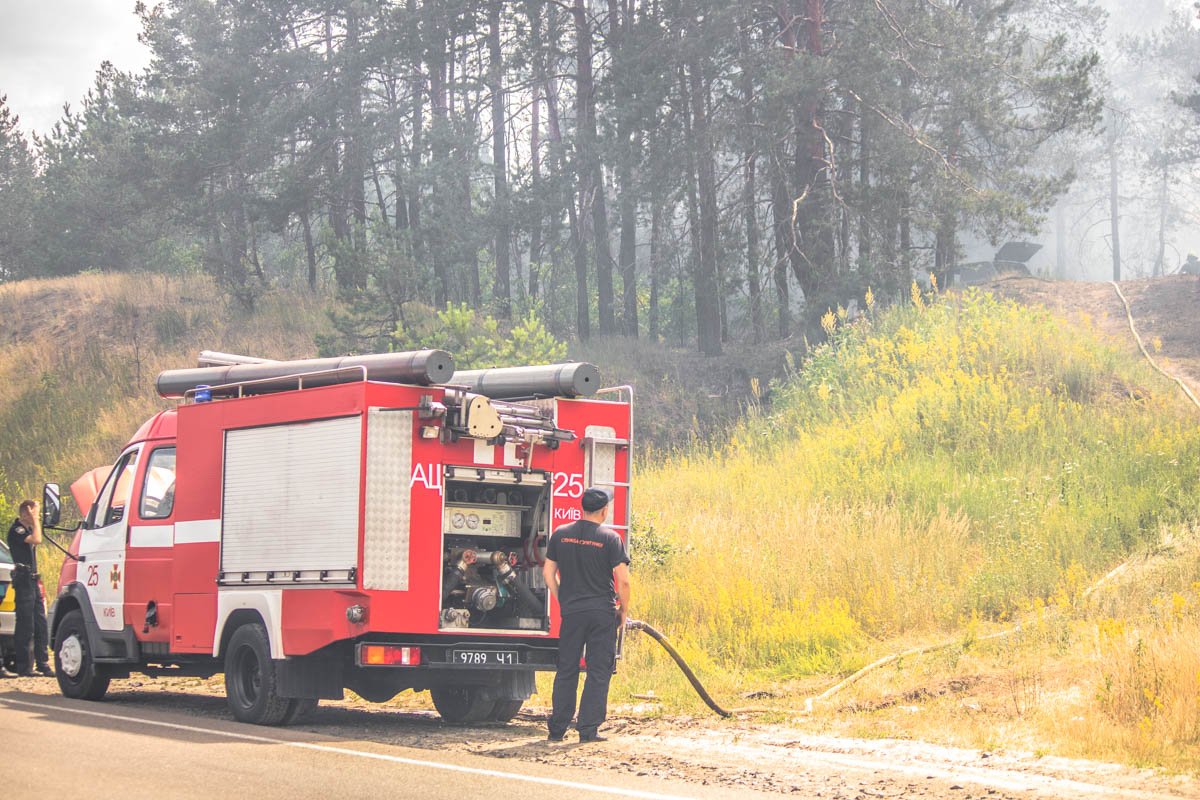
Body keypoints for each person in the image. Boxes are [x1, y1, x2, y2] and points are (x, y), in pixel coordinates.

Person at [542, 487, 631, 743]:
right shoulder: (610, 538)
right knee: (598, 671)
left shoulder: (561, 534)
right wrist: (623, 611)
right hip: (601, 614)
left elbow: (548, 574)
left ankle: (557, 729)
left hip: (572, 613)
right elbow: (623, 581)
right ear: (604, 510)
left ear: (582, 508)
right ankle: (588, 730)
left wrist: (564, 601)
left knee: (567, 669)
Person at [8, 500, 52, 677]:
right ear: (25, 513)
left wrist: (35, 520)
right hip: (23, 579)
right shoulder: (16, 530)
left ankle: (43, 663)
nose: (37, 517)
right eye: (34, 513)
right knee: (26, 624)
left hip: (33, 579)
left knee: (40, 623)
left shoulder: (26, 529)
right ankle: (24, 667)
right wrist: (35, 521)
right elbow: (37, 540)